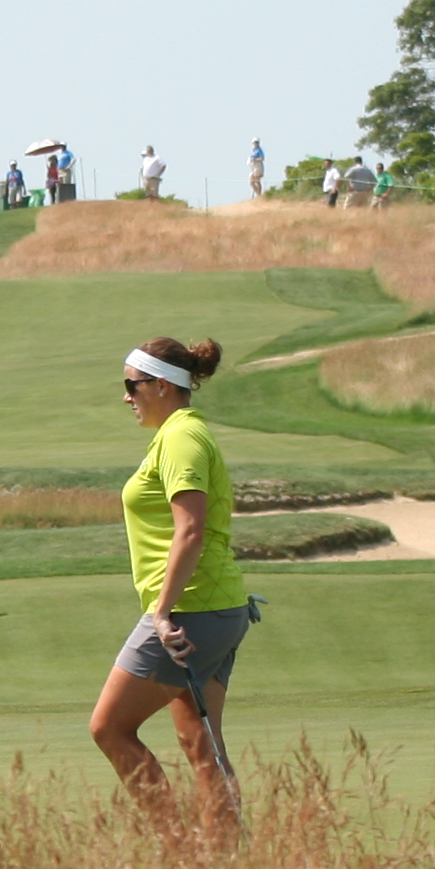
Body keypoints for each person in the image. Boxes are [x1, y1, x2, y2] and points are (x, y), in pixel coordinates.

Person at [88, 336, 251, 823]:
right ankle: (229, 862)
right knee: (200, 741)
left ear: (161, 385)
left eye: (131, 385)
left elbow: (191, 529)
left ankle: (180, 853)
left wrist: (160, 613)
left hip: (190, 610)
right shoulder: (180, 434)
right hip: (214, 607)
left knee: (110, 728)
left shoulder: (181, 439)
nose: (126, 397)